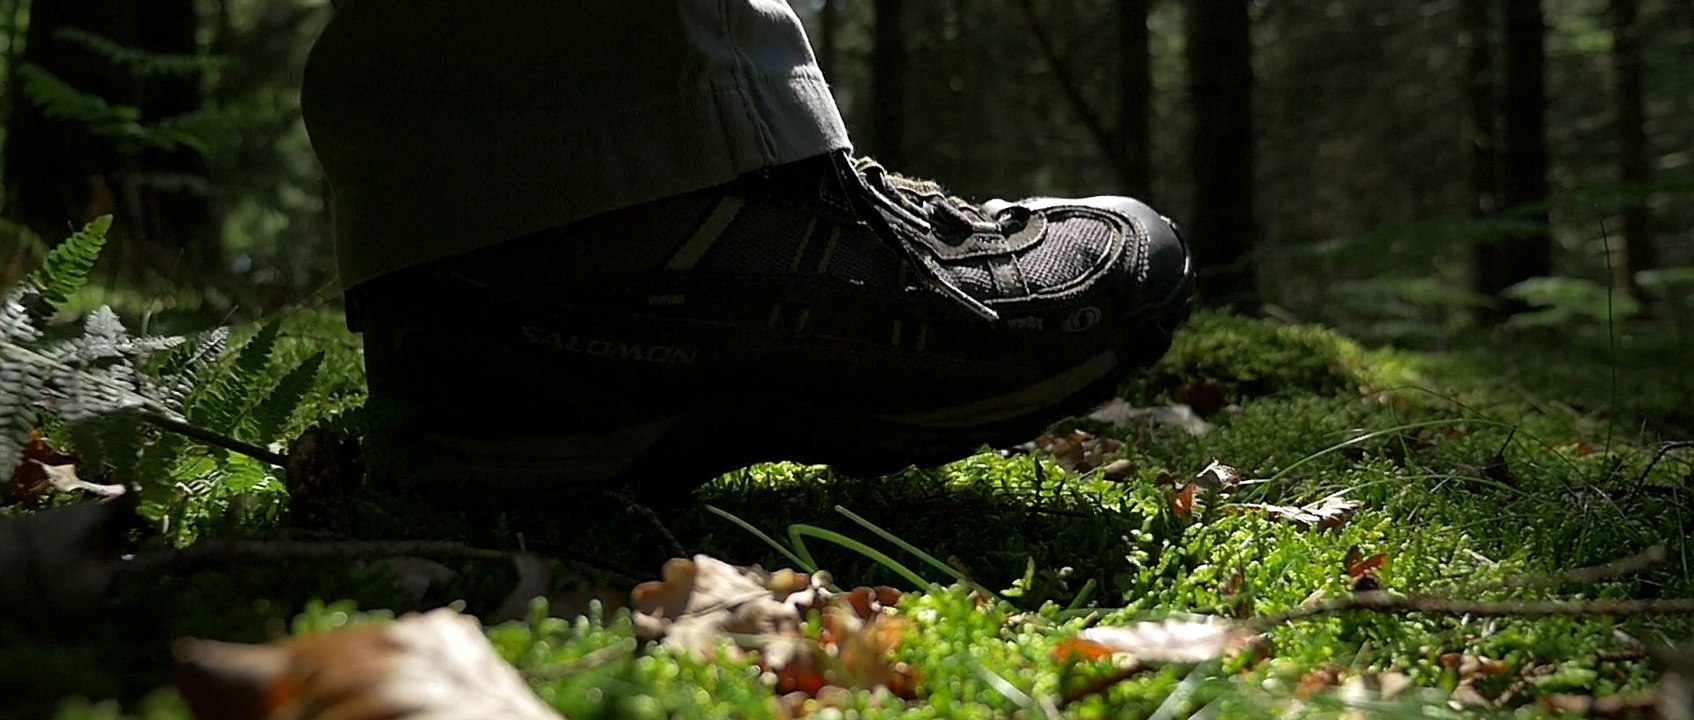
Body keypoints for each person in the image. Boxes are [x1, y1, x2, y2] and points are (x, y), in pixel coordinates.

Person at [300, 1, 1195, 498]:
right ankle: (675, 182)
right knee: (648, 138)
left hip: (428, 276)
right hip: (654, 159)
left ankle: (491, 298)